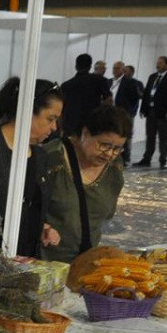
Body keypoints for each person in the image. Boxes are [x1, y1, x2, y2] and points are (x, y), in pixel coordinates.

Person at [39, 104, 131, 263]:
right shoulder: (51, 158)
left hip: (86, 263)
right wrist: (42, 227)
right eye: (104, 145)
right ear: (85, 133)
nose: (109, 154)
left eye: (117, 148)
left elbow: (106, 213)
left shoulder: (115, 167)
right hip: (44, 263)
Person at [0, 77, 65, 257]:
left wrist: (42, 226)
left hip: (26, 255)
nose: (54, 127)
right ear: (27, 110)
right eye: (50, 119)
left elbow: (31, 204)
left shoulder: (40, 155)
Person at [137, 56, 167, 168]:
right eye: (157, 63)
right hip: (150, 110)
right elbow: (147, 93)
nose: (158, 65)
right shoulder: (152, 77)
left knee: (163, 136)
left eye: (160, 63)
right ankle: (147, 158)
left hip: (163, 112)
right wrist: (143, 109)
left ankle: (163, 159)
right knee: (150, 135)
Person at [59, 53, 113, 138]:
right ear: (90, 66)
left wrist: (61, 125)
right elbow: (109, 100)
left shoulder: (65, 85)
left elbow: (61, 107)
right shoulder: (99, 80)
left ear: (76, 66)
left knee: (69, 145)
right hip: (91, 123)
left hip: (70, 124)